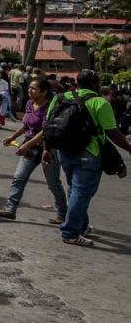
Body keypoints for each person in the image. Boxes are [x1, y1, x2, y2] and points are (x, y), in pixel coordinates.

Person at [47, 70, 131, 246]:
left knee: (74, 189)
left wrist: (46, 149)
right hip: (89, 153)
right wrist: (129, 149)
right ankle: (70, 232)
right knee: (82, 192)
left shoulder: (60, 98)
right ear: (94, 84)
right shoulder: (99, 102)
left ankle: (81, 226)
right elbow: (112, 132)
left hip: (64, 151)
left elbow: (48, 125)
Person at [0, 78, 67, 222]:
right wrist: (13, 136)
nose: (30, 91)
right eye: (29, 88)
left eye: (34, 88)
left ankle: (62, 214)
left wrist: (27, 145)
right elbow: (26, 124)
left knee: (53, 183)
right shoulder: (29, 104)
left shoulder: (50, 107)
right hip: (30, 146)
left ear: (44, 92)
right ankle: (10, 210)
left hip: (47, 148)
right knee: (19, 177)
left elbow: (45, 131)